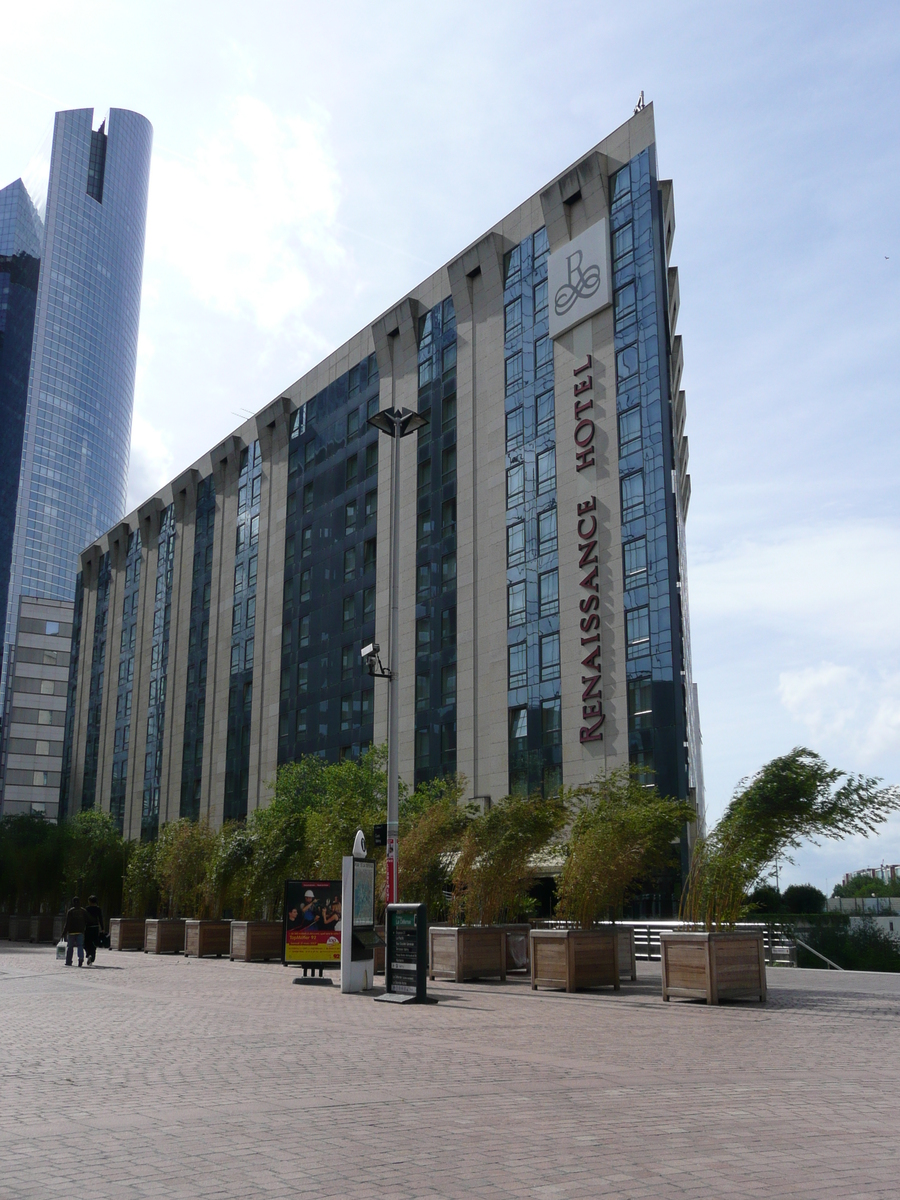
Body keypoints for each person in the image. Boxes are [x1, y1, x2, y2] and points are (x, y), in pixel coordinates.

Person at [61, 897, 87, 967]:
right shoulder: (83, 911)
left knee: (70, 947)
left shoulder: (70, 911)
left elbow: (67, 923)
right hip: (80, 931)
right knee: (80, 946)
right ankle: (81, 959)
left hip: (71, 932)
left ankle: (69, 961)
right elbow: (86, 921)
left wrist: (64, 932)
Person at [84, 895, 104, 966]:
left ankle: (88, 953)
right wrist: (102, 928)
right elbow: (100, 919)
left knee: (86, 942)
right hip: (95, 927)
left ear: (90, 901)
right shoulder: (98, 909)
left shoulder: (87, 909)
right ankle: (92, 957)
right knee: (94, 943)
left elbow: (84, 919)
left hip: (88, 927)